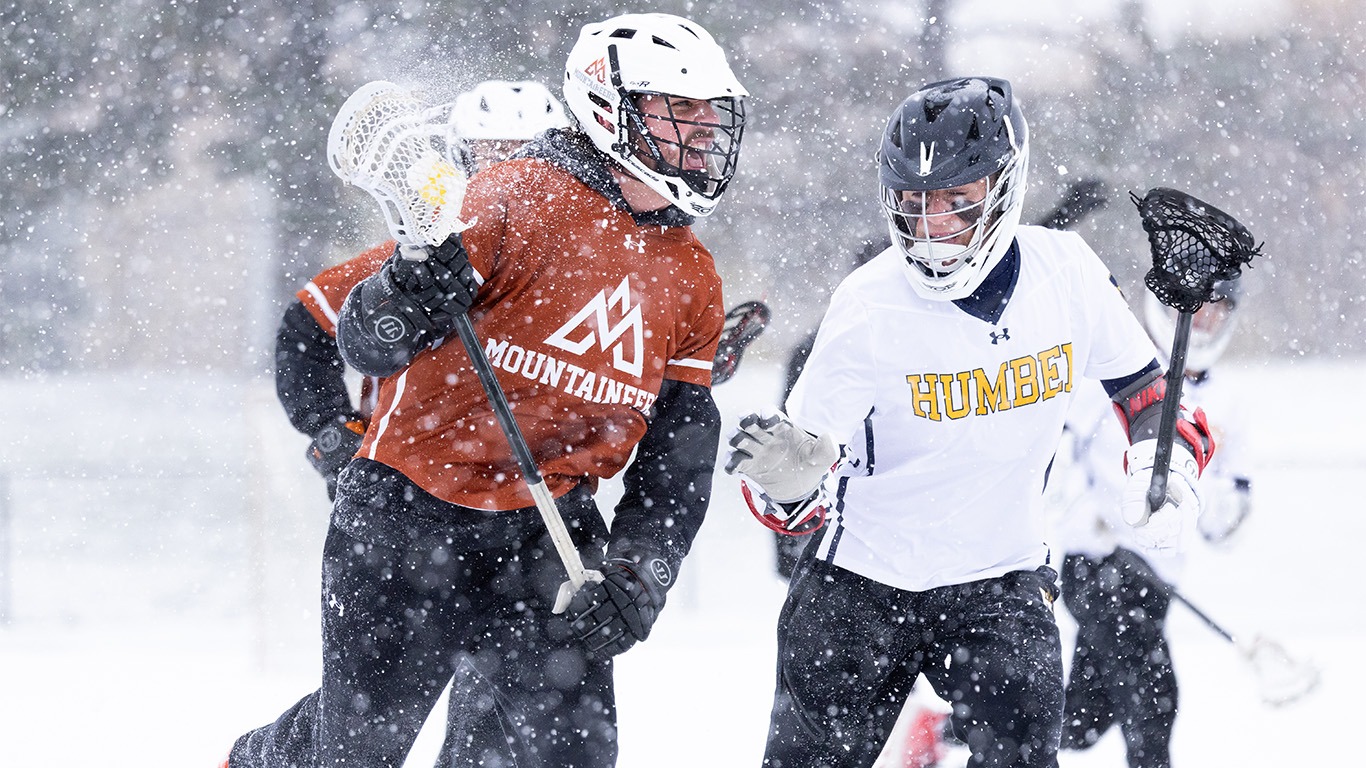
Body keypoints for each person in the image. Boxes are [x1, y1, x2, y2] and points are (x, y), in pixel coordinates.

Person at [228, 12, 748, 768]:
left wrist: (641, 568)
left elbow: (680, 452)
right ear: (612, 109)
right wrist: (402, 295)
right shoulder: (508, 197)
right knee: (357, 749)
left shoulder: (692, 275)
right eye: (680, 108)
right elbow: (365, 341)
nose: (703, 131)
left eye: (712, 112)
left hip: (550, 534)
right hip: (409, 518)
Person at [725, 77, 1215, 768]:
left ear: (1006, 186)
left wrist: (1165, 462)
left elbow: (1147, 392)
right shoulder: (867, 305)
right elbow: (799, 485)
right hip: (859, 589)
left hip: (999, 584)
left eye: (956, 201)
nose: (931, 228)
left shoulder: (1067, 273)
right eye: (913, 202)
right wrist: (785, 488)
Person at [275, 79, 571, 505]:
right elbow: (304, 327)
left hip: (533, 498)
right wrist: (332, 427)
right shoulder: (414, 260)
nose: (511, 171)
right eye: (494, 153)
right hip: (402, 491)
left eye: (528, 155)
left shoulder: (581, 272)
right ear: (461, 159)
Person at [1047, 277, 1253, 768]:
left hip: (1157, 578)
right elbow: (1054, 455)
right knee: (1154, 699)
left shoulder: (1228, 403)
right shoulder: (1122, 377)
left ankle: (945, 729)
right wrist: (1082, 514)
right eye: (1197, 307)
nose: (1205, 319)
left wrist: (1207, 498)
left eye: (1218, 309)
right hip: (1098, 566)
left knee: (1080, 723)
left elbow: (1227, 520)